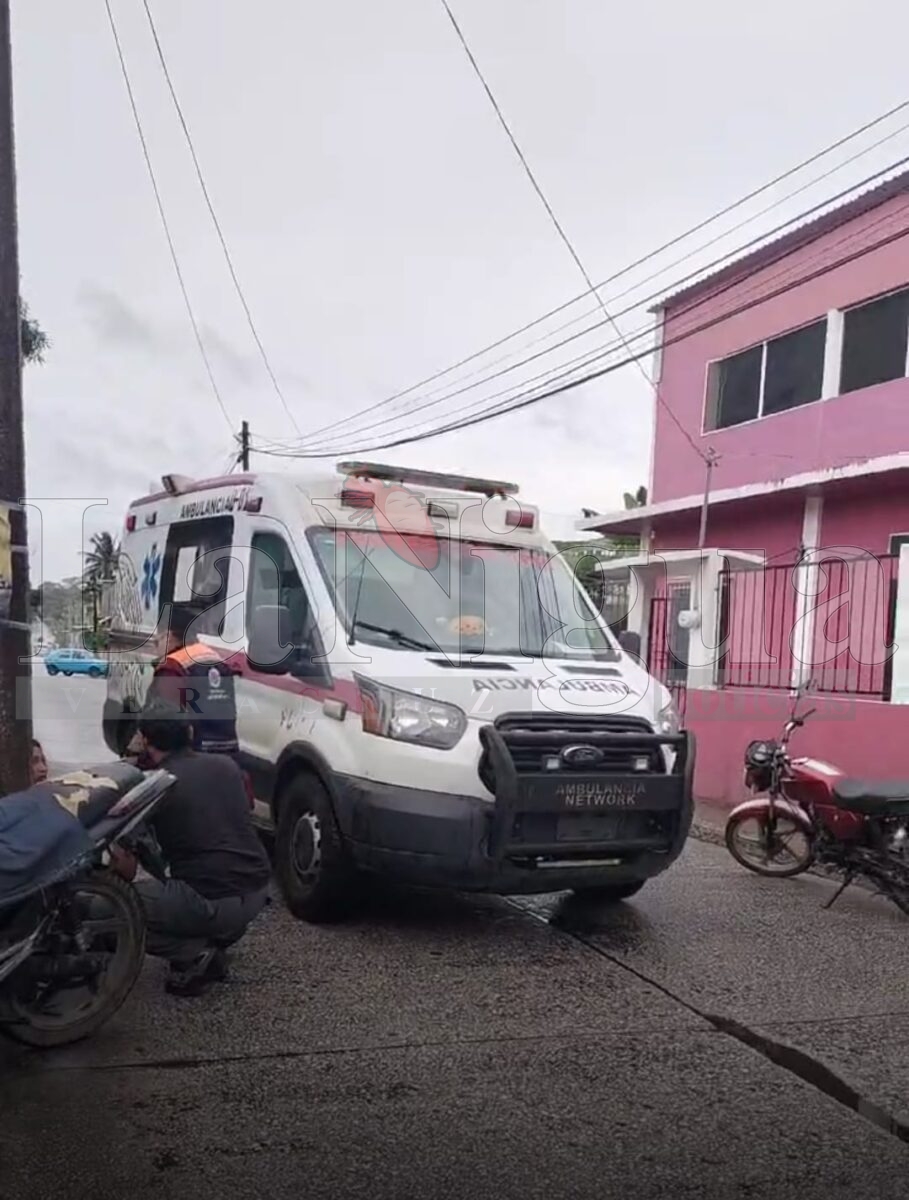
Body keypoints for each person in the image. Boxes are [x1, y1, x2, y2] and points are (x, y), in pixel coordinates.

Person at [111, 699, 270, 997]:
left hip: (209, 901)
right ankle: (211, 942)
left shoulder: (156, 786)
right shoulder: (226, 765)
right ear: (190, 731)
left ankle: (193, 953)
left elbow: (129, 867)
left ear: (145, 740)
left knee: (111, 911)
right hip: (255, 893)